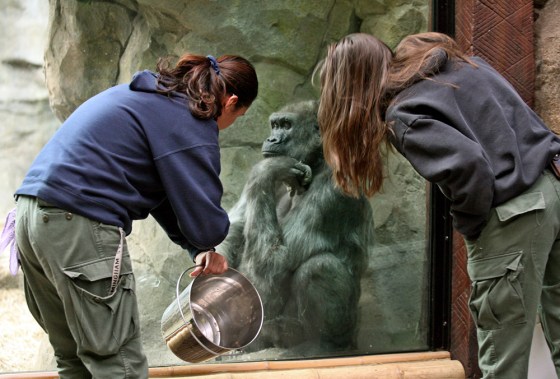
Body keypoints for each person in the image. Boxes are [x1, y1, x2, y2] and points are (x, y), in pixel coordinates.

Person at [317, 32, 560, 379]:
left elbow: (468, 167)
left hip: (514, 214)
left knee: (503, 359)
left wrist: (473, 227)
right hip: (554, 182)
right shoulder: (460, 66)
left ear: (349, 92)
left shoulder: (405, 113)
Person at [9, 53, 258, 378]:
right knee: (119, 365)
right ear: (231, 102)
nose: (227, 125)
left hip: (29, 218)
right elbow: (208, 225)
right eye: (237, 116)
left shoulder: (153, 98)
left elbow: (160, 196)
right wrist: (208, 242)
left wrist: (198, 250)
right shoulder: (193, 120)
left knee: (75, 360)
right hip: (78, 222)